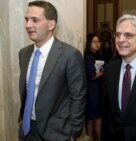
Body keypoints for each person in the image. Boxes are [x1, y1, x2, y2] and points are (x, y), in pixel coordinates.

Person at [18, 1, 86, 141]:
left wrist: (74, 131)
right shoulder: (24, 54)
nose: (28, 25)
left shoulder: (70, 55)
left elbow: (78, 96)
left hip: (57, 133)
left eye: (35, 20)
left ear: (51, 24)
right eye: (27, 20)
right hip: (27, 131)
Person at [84, 34, 103, 141]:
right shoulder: (89, 57)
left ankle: (90, 138)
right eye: (94, 42)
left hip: (93, 89)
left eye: (98, 41)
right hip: (93, 90)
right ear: (89, 43)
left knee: (91, 118)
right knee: (97, 117)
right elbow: (92, 75)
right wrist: (104, 72)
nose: (97, 44)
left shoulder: (94, 56)